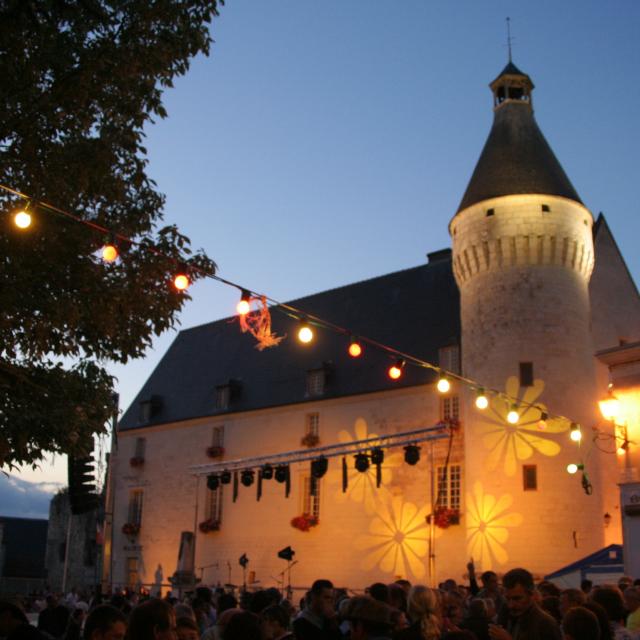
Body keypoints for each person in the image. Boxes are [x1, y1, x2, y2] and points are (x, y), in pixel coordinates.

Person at [489, 568, 561, 640]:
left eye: (517, 599)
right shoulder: (505, 615)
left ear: (531, 594)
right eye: (507, 599)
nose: (510, 605)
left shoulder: (546, 625)